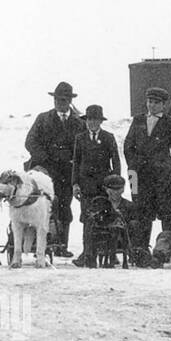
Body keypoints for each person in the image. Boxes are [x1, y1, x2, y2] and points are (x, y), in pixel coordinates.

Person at [24, 81, 86, 257]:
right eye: (58, 99)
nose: (60, 102)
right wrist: (45, 160)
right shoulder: (43, 119)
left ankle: (61, 245)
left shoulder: (79, 123)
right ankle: (42, 246)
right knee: (43, 208)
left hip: (68, 173)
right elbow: (30, 142)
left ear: (70, 101)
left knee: (65, 207)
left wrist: (74, 161)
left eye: (64, 100)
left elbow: (82, 147)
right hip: (45, 172)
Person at [123, 86, 171, 253]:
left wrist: (169, 164)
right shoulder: (138, 120)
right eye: (150, 101)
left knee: (166, 213)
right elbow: (128, 146)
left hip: (162, 178)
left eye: (156, 103)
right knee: (141, 212)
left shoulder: (170, 122)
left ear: (163, 105)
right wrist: (134, 165)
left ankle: (164, 249)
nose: (152, 105)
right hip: (139, 177)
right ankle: (141, 248)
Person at [72, 103, 122, 258]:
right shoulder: (80, 138)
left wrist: (114, 185)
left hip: (103, 186)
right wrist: (75, 184)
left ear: (100, 121)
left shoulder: (108, 138)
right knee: (87, 219)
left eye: (95, 120)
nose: (92, 123)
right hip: (86, 186)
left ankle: (110, 252)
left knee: (107, 218)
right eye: (89, 120)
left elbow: (116, 162)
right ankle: (87, 253)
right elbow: (76, 162)